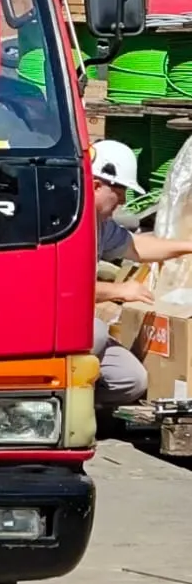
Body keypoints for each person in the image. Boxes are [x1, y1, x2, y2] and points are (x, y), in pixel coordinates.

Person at [92, 139, 192, 421]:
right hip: (48, 322)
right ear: (96, 185)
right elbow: (56, 289)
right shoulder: (59, 224)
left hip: (75, 326)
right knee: (95, 333)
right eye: (120, 191)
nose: (124, 201)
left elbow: (136, 247)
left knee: (130, 380)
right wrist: (118, 290)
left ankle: (81, 402)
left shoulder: (100, 225)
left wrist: (187, 246)